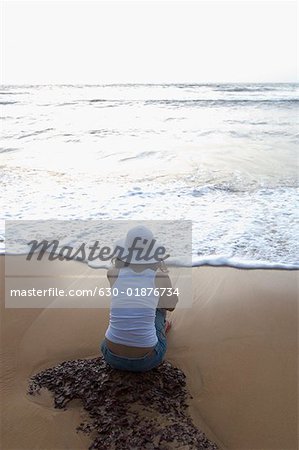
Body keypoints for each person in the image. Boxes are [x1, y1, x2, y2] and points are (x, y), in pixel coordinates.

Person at [100, 226, 178, 372]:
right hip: (147, 360)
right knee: (159, 307)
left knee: (127, 305)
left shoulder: (112, 273)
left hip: (110, 356)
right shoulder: (159, 277)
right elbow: (171, 305)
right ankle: (161, 327)